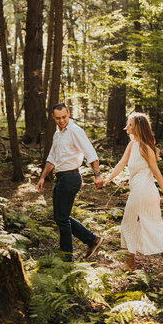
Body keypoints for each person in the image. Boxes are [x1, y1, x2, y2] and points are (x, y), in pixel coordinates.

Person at [102, 112, 163, 275]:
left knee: (129, 224)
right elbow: (121, 164)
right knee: (149, 225)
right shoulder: (132, 145)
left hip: (144, 191)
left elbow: (156, 171)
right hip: (140, 191)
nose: (126, 127)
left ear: (137, 127)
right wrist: (107, 179)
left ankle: (130, 263)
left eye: (130, 124)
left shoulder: (144, 146)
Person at [37, 103, 103, 262]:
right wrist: (43, 177)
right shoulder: (57, 134)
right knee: (60, 216)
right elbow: (52, 158)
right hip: (61, 178)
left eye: (64, 117)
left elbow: (91, 153)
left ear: (69, 113)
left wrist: (97, 175)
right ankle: (91, 239)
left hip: (71, 178)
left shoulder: (75, 130)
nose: (62, 121)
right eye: (58, 118)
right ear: (53, 117)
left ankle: (66, 257)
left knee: (62, 218)